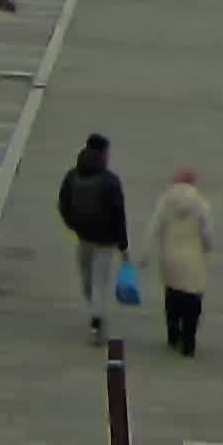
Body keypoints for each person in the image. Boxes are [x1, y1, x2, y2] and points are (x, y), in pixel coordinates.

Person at [56, 134, 131, 343]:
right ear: (104, 153)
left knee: (88, 282)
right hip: (105, 242)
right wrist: (123, 246)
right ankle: (97, 323)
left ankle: (96, 315)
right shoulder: (110, 181)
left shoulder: (72, 176)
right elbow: (119, 216)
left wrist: (75, 226)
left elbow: (63, 206)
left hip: (84, 239)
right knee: (99, 282)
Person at [150, 168, 216, 356]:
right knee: (192, 302)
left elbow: (154, 226)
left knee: (172, 296)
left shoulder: (165, 201)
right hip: (193, 259)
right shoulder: (201, 204)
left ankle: (173, 335)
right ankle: (189, 342)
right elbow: (207, 233)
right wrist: (208, 248)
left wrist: (145, 254)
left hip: (170, 257)